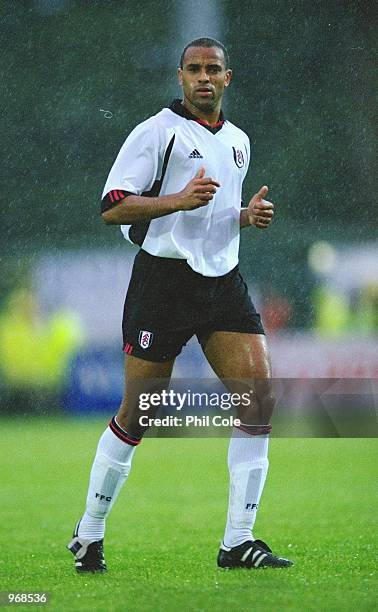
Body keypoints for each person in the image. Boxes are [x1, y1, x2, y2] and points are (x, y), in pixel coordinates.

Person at [67, 37, 293, 572]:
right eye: (194, 70)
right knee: (137, 413)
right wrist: (176, 199)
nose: (204, 78)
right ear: (180, 76)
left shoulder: (238, 140)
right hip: (163, 283)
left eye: (213, 69)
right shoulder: (156, 133)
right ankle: (89, 532)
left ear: (228, 78)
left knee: (257, 403)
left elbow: (210, 215)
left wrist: (244, 216)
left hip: (222, 281)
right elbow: (112, 206)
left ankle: (239, 541)